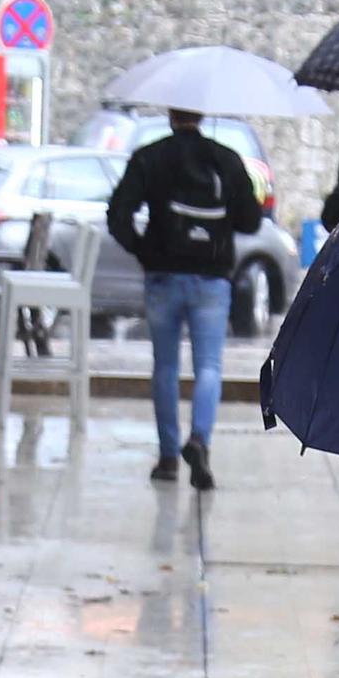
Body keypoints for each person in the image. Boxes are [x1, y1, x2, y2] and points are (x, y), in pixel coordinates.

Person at [105, 106, 269, 490]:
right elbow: (250, 221)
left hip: (163, 275)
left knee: (164, 367)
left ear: (170, 115)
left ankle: (166, 457)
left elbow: (118, 213)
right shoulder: (225, 159)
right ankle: (199, 440)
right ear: (202, 115)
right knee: (209, 366)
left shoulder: (150, 156)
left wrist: (145, 250)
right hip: (211, 278)